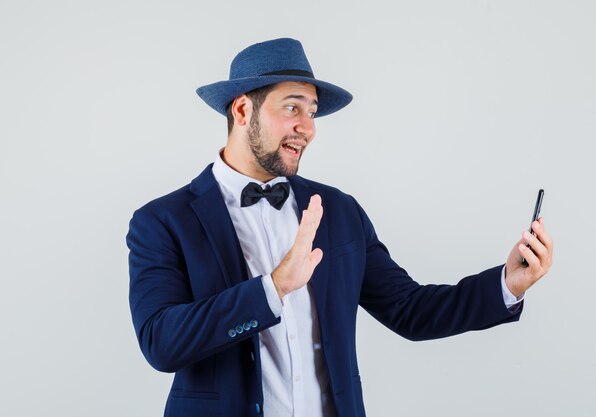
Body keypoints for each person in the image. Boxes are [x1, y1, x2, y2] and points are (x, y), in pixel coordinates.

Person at [127, 38, 553, 417]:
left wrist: (507, 284)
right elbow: (161, 343)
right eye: (292, 107)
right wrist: (272, 288)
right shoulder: (162, 221)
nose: (307, 128)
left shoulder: (338, 211)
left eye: (311, 112)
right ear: (242, 109)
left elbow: (410, 310)